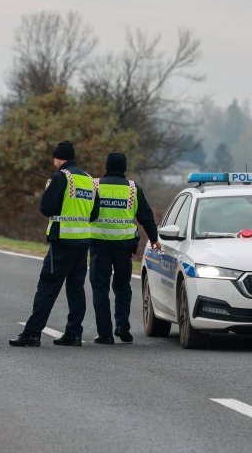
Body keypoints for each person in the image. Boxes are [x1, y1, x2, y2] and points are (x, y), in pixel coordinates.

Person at [9, 141, 94, 347]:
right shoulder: (89, 180)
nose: (53, 163)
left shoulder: (60, 177)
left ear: (58, 158)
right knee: (76, 289)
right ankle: (73, 334)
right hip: (82, 243)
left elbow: (46, 208)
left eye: (54, 159)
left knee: (47, 286)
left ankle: (32, 334)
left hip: (62, 242)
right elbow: (95, 212)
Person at [88, 152, 160, 344]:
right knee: (122, 287)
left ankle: (105, 334)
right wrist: (154, 239)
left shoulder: (95, 186)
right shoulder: (133, 189)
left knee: (100, 289)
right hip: (124, 247)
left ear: (106, 166)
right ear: (124, 168)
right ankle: (122, 326)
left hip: (99, 244)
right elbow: (146, 216)